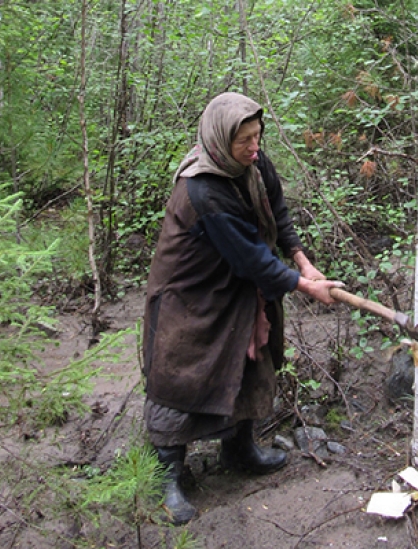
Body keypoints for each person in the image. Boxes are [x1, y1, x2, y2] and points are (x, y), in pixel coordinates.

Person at [141, 92, 340, 525]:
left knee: (249, 362)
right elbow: (251, 258)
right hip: (191, 294)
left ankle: (239, 449)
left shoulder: (253, 163)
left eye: (257, 136)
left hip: (237, 285)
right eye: (244, 141)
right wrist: (304, 286)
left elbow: (277, 210)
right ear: (218, 140)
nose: (254, 148)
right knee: (182, 374)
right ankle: (165, 476)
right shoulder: (202, 189)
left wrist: (301, 257)